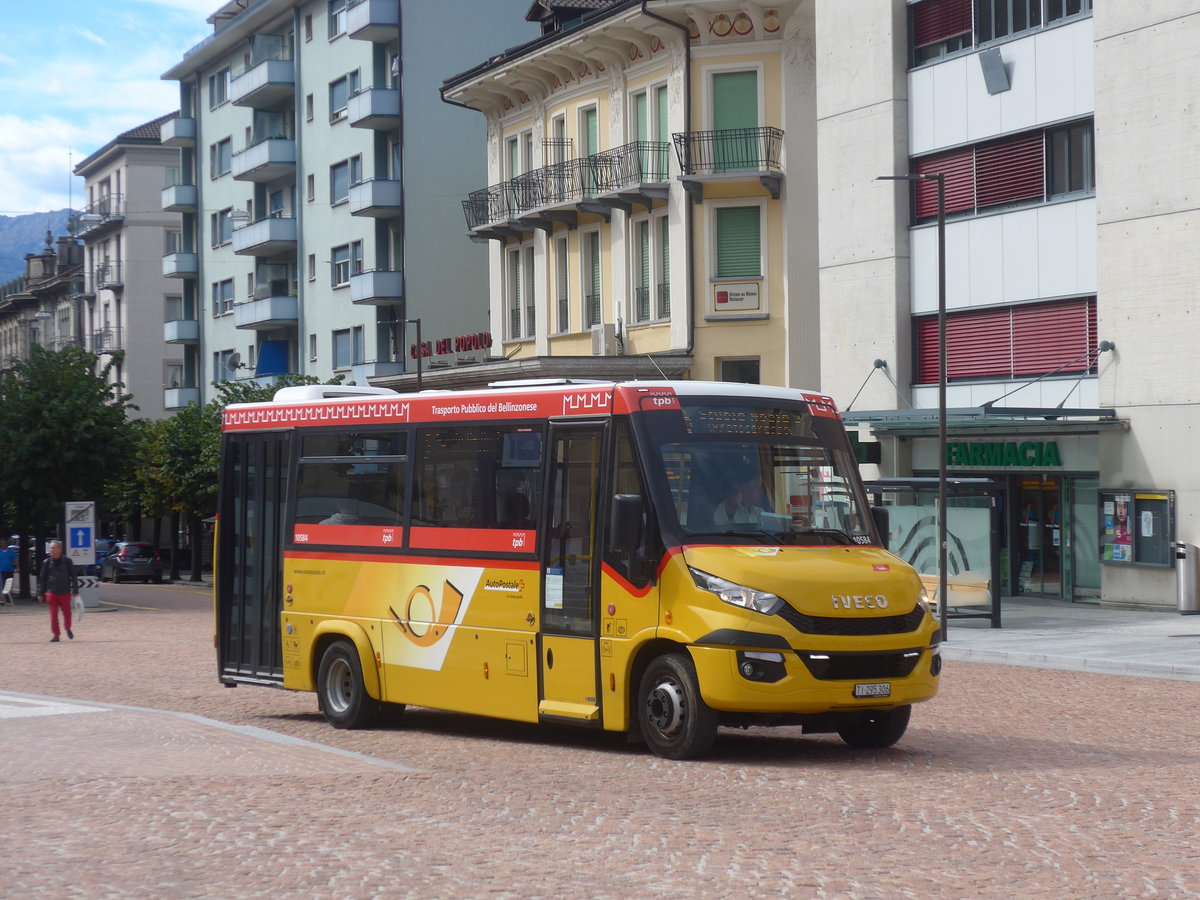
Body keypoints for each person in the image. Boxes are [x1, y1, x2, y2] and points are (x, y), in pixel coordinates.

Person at [38, 540, 79, 642]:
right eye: (50, 548)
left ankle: (67, 628)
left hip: (65, 592)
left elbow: (73, 576)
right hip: (51, 592)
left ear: (59, 549)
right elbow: (42, 578)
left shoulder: (67, 561)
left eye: (53, 548)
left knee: (67, 613)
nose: (51, 550)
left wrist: (75, 589)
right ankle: (56, 635)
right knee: (53, 615)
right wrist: (40, 593)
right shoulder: (46, 562)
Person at [0, 538, 17, 605]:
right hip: (1, 571)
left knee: (9, 586)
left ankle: (8, 599)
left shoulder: (11, 551)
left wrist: (17, 567)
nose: (2, 544)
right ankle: (2, 599)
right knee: (2, 585)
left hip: (10, 570)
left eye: (3, 543)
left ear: (6, 544)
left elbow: (15, 559)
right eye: (1, 543)